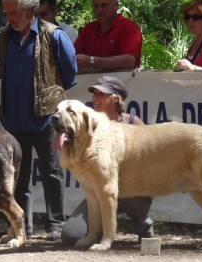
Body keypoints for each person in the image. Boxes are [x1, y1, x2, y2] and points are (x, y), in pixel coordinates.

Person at [0, 0, 77, 241]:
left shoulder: (54, 35)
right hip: (14, 118)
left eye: (13, 13)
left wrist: (48, 99)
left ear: (30, 10)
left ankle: (55, 225)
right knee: (18, 176)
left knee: (52, 172)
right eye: (6, 12)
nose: (8, 18)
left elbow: (69, 75)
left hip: (47, 120)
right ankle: (22, 226)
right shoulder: (3, 36)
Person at [61, 76, 153, 246]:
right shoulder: (88, 122)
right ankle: (100, 228)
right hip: (99, 192)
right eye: (94, 93)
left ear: (116, 98)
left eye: (101, 94)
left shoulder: (134, 122)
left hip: (132, 190)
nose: (95, 98)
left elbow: (148, 161)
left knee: (131, 196)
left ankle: (143, 226)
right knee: (70, 236)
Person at [74, 0, 142, 71]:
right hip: (91, 83)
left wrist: (92, 61)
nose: (99, 10)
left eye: (104, 5)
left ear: (116, 5)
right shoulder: (89, 29)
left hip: (122, 83)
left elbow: (129, 62)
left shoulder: (129, 27)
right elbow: (73, 57)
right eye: (96, 6)